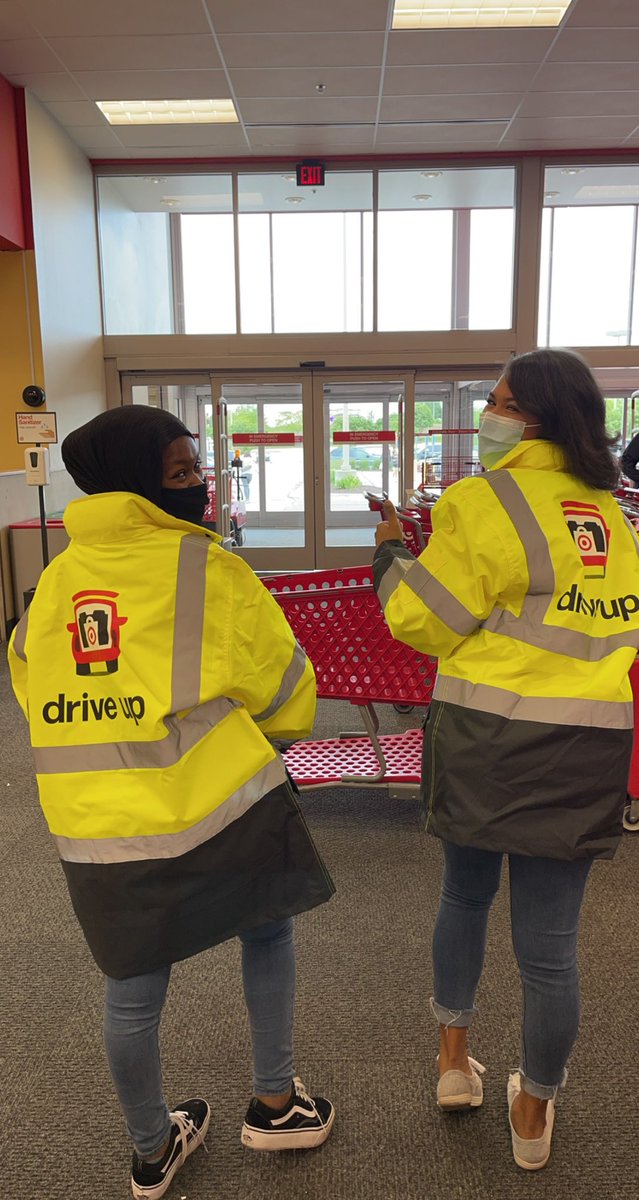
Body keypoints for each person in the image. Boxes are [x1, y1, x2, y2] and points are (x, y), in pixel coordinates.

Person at [8, 405, 335, 1200]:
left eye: (198, 471)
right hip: (222, 804)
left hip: (99, 824)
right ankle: (275, 1101)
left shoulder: (56, 580)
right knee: (266, 933)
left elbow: (26, 681)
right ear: (136, 483)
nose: (200, 487)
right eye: (182, 475)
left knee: (133, 982)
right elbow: (289, 694)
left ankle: (152, 1148)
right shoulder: (209, 569)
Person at [373, 348, 639, 1171]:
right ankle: (532, 1113)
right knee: (551, 947)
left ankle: (454, 1064)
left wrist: (388, 552)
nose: (487, 415)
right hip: (588, 744)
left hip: (485, 739)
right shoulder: (611, 514)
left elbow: (425, 621)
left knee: (464, 894)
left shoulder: (480, 501)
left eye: (498, 402)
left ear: (535, 417)